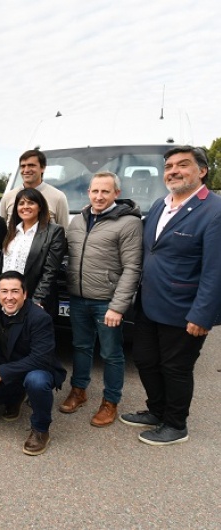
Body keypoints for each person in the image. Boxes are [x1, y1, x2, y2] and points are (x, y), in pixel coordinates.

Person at [120, 146, 221, 446]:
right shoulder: (159, 205)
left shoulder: (214, 211)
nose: (173, 171)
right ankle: (156, 411)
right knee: (145, 360)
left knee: (176, 369)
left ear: (202, 171)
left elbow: (215, 270)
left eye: (183, 165)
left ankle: (176, 425)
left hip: (184, 309)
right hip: (149, 304)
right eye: (169, 166)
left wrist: (203, 315)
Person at [59, 172, 142, 427]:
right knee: (81, 347)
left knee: (111, 354)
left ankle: (110, 401)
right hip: (78, 298)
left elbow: (132, 268)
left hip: (107, 302)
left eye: (105, 191)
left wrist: (118, 307)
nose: (99, 196)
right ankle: (79, 390)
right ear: (88, 192)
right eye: (95, 191)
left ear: (116, 193)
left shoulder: (129, 223)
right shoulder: (78, 220)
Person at [0, 271, 66, 456]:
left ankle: (40, 429)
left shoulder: (39, 318)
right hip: (6, 364)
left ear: (25, 294)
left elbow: (40, 358)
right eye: (4, 291)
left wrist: (3, 372)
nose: (9, 297)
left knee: (36, 381)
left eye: (15, 291)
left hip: (37, 368)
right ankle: (16, 395)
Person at [0, 187, 66, 318]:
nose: (25, 207)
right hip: (8, 299)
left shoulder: (54, 232)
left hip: (33, 300)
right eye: (21, 203)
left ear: (40, 207)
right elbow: (3, 265)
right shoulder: (12, 231)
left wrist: (37, 300)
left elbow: (50, 271)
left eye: (31, 203)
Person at [0, 150, 69, 227]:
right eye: (23, 166)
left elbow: (63, 231)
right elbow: (1, 229)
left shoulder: (58, 197)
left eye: (31, 165)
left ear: (43, 168)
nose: (26, 170)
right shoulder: (8, 197)